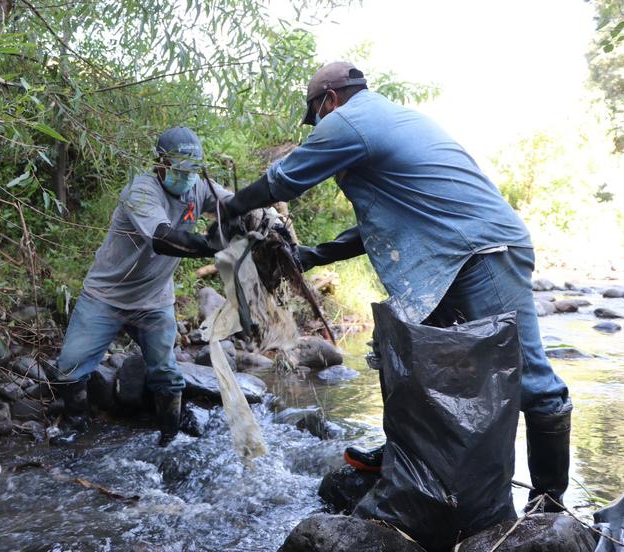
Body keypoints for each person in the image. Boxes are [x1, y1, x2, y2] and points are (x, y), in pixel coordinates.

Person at [221, 61, 572, 511]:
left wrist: (229, 209)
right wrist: (315, 254)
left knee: (531, 379)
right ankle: (406, 458)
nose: (318, 128)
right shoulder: (388, 122)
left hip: (481, 253)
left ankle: (549, 504)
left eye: (317, 117)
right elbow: (379, 226)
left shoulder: (351, 119)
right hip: (449, 258)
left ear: (329, 101)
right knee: (410, 360)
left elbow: (284, 179)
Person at [55, 127, 231, 446]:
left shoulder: (200, 188)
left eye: (194, 169)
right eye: (180, 170)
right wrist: (209, 245)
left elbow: (233, 204)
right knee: (71, 364)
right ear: (161, 165)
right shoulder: (142, 192)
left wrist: (256, 217)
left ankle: (170, 433)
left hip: (154, 301)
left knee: (166, 371)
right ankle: (74, 425)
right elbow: (163, 238)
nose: (188, 176)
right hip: (105, 296)